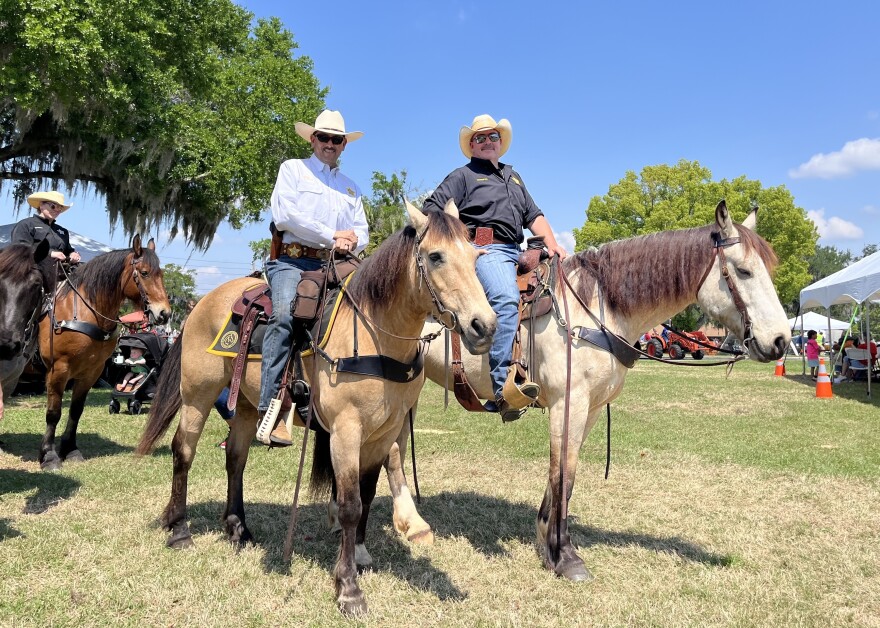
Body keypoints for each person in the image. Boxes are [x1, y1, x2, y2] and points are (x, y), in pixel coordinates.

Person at [422, 114, 567, 422]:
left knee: (565, 288)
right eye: (480, 138)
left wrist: (552, 245)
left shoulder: (514, 177)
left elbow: (534, 216)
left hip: (522, 249)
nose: (487, 142)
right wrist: (460, 242)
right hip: (486, 249)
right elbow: (432, 211)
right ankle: (504, 388)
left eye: (492, 137)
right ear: (471, 145)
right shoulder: (462, 176)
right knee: (504, 297)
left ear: (501, 143)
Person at [259, 110, 368, 446]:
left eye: (337, 140)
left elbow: (361, 230)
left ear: (344, 146)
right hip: (292, 262)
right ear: (313, 139)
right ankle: (271, 410)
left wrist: (351, 240)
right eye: (324, 138)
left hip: (337, 263)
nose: (330, 144)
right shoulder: (293, 170)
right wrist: (333, 234)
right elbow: (286, 215)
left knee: (367, 312)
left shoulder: (351, 187)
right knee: (282, 316)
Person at [11, 191, 82, 265]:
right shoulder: (26, 224)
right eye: (53, 206)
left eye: (60, 208)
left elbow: (68, 250)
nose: (57, 210)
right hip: (32, 269)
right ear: (41, 205)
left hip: (59, 271)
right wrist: (50, 253)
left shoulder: (63, 231)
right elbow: (19, 249)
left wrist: (73, 254)